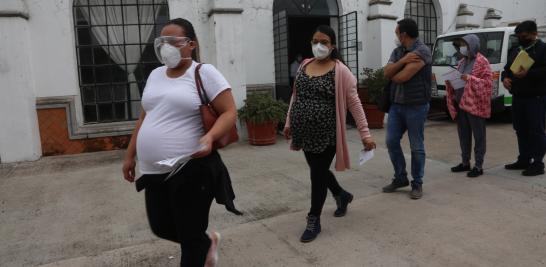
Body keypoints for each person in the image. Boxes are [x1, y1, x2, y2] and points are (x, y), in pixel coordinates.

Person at [122, 18, 241, 267]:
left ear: (191, 44)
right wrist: (129, 154)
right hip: (154, 170)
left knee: (189, 240)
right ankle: (204, 243)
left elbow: (230, 112)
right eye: (162, 42)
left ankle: (198, 245)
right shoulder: (155, 75)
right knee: (161, 227)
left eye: (174, 41)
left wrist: (209, 137)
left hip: (192, 170)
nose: (167, 47)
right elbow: (145, 117)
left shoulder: (203, 72)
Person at [283, 25, 376, 243]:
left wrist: (366, 134)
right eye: (315, 41)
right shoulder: (304, 65)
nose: (319, 45)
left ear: (333, 45)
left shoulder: (340, 71)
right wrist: (289, 122)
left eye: (324, 42)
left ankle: (313, 219)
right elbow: (296, 97)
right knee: (319, 171)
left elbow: (354, 103)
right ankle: (342, 195)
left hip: (327, 135)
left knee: (316, 175)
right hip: (304, 133)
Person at [382, 18, 432, 199]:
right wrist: (403, 60)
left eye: (396, 32)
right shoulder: (399, 51)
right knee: (391, 141)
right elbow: (385, 73)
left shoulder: (422, 51)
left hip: (416, 106)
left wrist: (395, 69)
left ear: (403, 34)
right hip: (396, 105)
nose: (395, 36)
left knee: (416, 146)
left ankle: (417, 183)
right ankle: (400, 177)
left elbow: (401, 77)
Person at [501, 20, 546, 176]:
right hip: (518, 96)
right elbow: (506, 70)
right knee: (520, 129)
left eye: (524, 36)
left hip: (536, 97)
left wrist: (529, 73)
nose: (521, 38)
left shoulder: (542, 49)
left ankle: (538, 163)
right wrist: (505, 79)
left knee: (536, 130)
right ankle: (524, 159)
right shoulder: (516, 49)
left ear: (535, 34)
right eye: (519, 36)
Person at [445, 34, 493, 178]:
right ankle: (465, 162)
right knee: (463, 135)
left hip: (475, 105)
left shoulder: (482, 61)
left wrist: (470, 78)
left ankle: (479, 166)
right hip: (461, 104)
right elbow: (459, 78)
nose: (462, 48)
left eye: (465, 44)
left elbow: (488, 84)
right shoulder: (462, 62)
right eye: (461, 45)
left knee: (479, 136)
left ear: (472, 45)